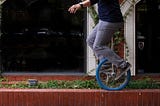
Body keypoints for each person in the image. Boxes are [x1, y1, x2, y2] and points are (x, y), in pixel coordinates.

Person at [68, 0, 131, 79]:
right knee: (90, 40)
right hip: (105, 20)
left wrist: (79, 5)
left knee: (98, 46)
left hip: (110, 21)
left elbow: (92, 0)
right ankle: (105, 63)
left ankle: (123, 65)